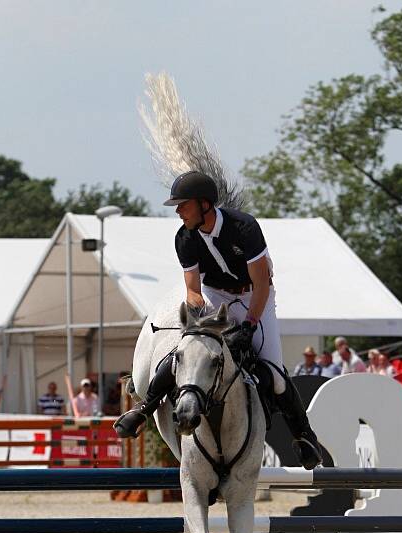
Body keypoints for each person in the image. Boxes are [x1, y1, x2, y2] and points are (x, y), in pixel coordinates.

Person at [114, 171, 322, 469]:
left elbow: (261, 284)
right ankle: (144, 409)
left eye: (183, 205)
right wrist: (198, 319)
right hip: (214, 296)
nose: (178, 211)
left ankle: (304, 437)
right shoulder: (184, 237)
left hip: (254, 296)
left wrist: (249, 325)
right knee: (184, 354)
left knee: (275, 373)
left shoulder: (244, 227)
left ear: (204, 205)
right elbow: (192, 289)